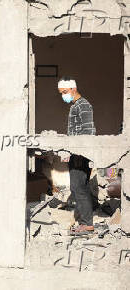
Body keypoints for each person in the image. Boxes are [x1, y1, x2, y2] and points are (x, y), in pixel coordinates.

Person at [58, 76, 96, 235]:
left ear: (74, 89)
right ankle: (84, 222)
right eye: (61, 93)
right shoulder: (75, 106)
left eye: (65, 92)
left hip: (81, 154)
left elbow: (88, 132)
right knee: (81, 187)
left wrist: (80, 154)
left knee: (77, 187)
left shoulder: (84, 106)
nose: (63, 96)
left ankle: (87, 225)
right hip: (76, 153)